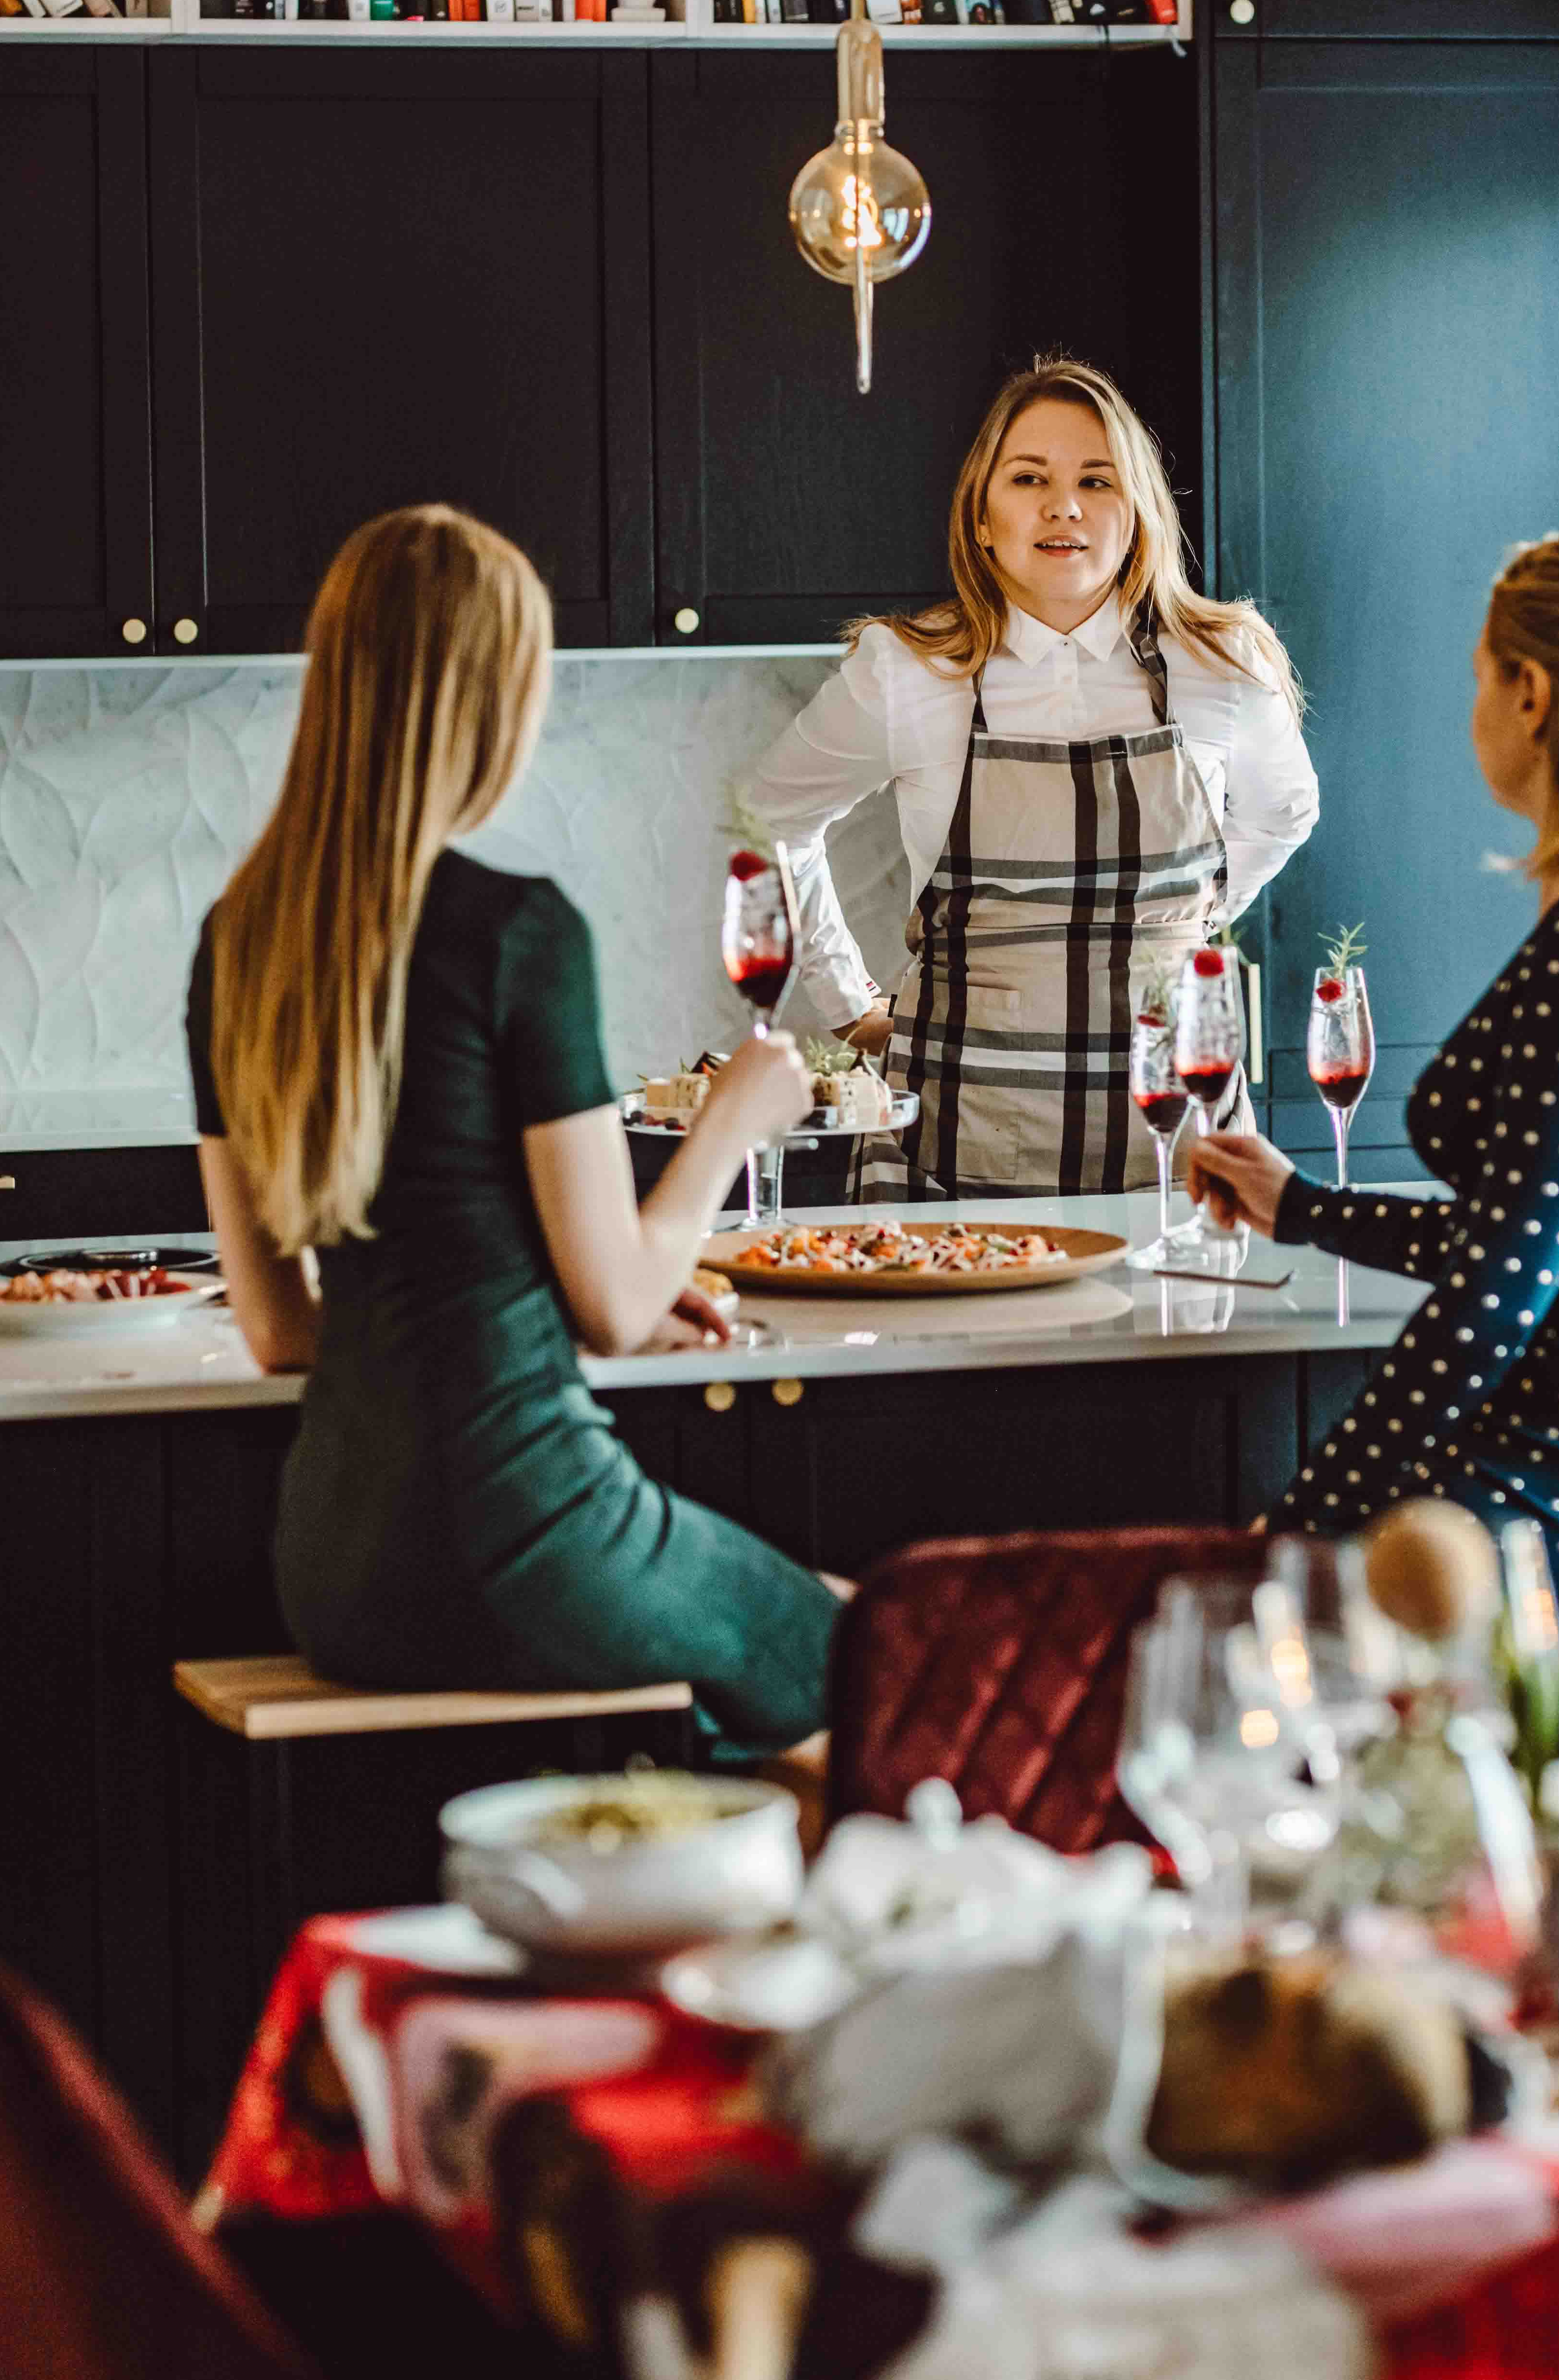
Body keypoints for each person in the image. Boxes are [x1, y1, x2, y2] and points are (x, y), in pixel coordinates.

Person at [188, 505, 838, 1755]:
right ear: (495, 702)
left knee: (713, 1714)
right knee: (864, 1652)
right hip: (528, 1535)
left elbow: (279, 1329)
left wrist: (526, 1306)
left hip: (334, 1569)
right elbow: (611, 1302)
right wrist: (736, 1116)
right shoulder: (517, 933)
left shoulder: (242, 941)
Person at [1187, 527, 1559, 1644]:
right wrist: (1300, 1208)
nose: (1471, 714)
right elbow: (1525, 1232)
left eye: (1478, 678)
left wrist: (1294, 1534)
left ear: (1530, 694)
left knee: (1229, 1641)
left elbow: (1495, 1292)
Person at [744, 358, 1319, 1195]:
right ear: (982, 517)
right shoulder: (908, 671)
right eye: (1028, 478)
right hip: (954, 1133)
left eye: (1098, 479)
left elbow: (1284, 814)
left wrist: (1176, 929)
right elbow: (770, 814)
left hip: (1177, 1132)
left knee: (1184, 1326)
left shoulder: (1221, 664)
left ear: (1139, 517)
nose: (1065, 506)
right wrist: (846, 999)